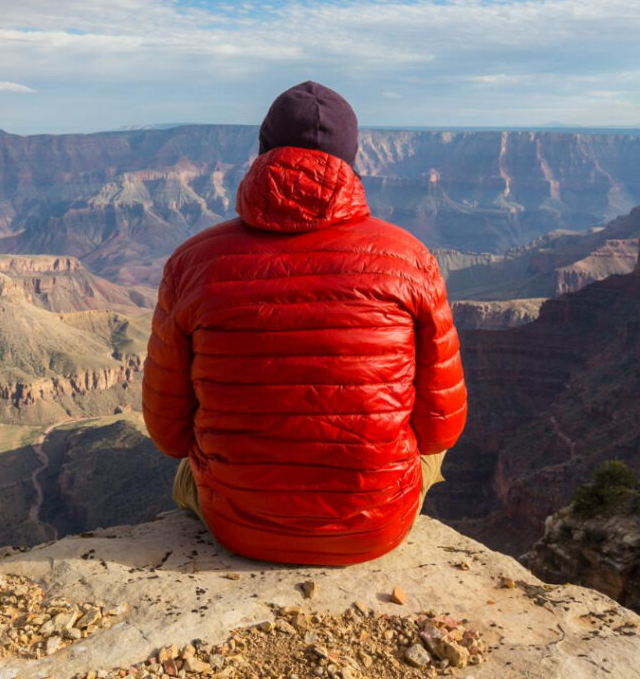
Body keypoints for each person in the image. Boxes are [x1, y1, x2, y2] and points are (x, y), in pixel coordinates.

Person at [142, 80, 467, 565]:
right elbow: (441, 430)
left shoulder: (191, 262)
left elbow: (168, 436)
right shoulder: (410, 258)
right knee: (428, 449)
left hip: (238, 527)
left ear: (262, 153)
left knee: (187, 471)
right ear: (352, 160)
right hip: (375, 529)